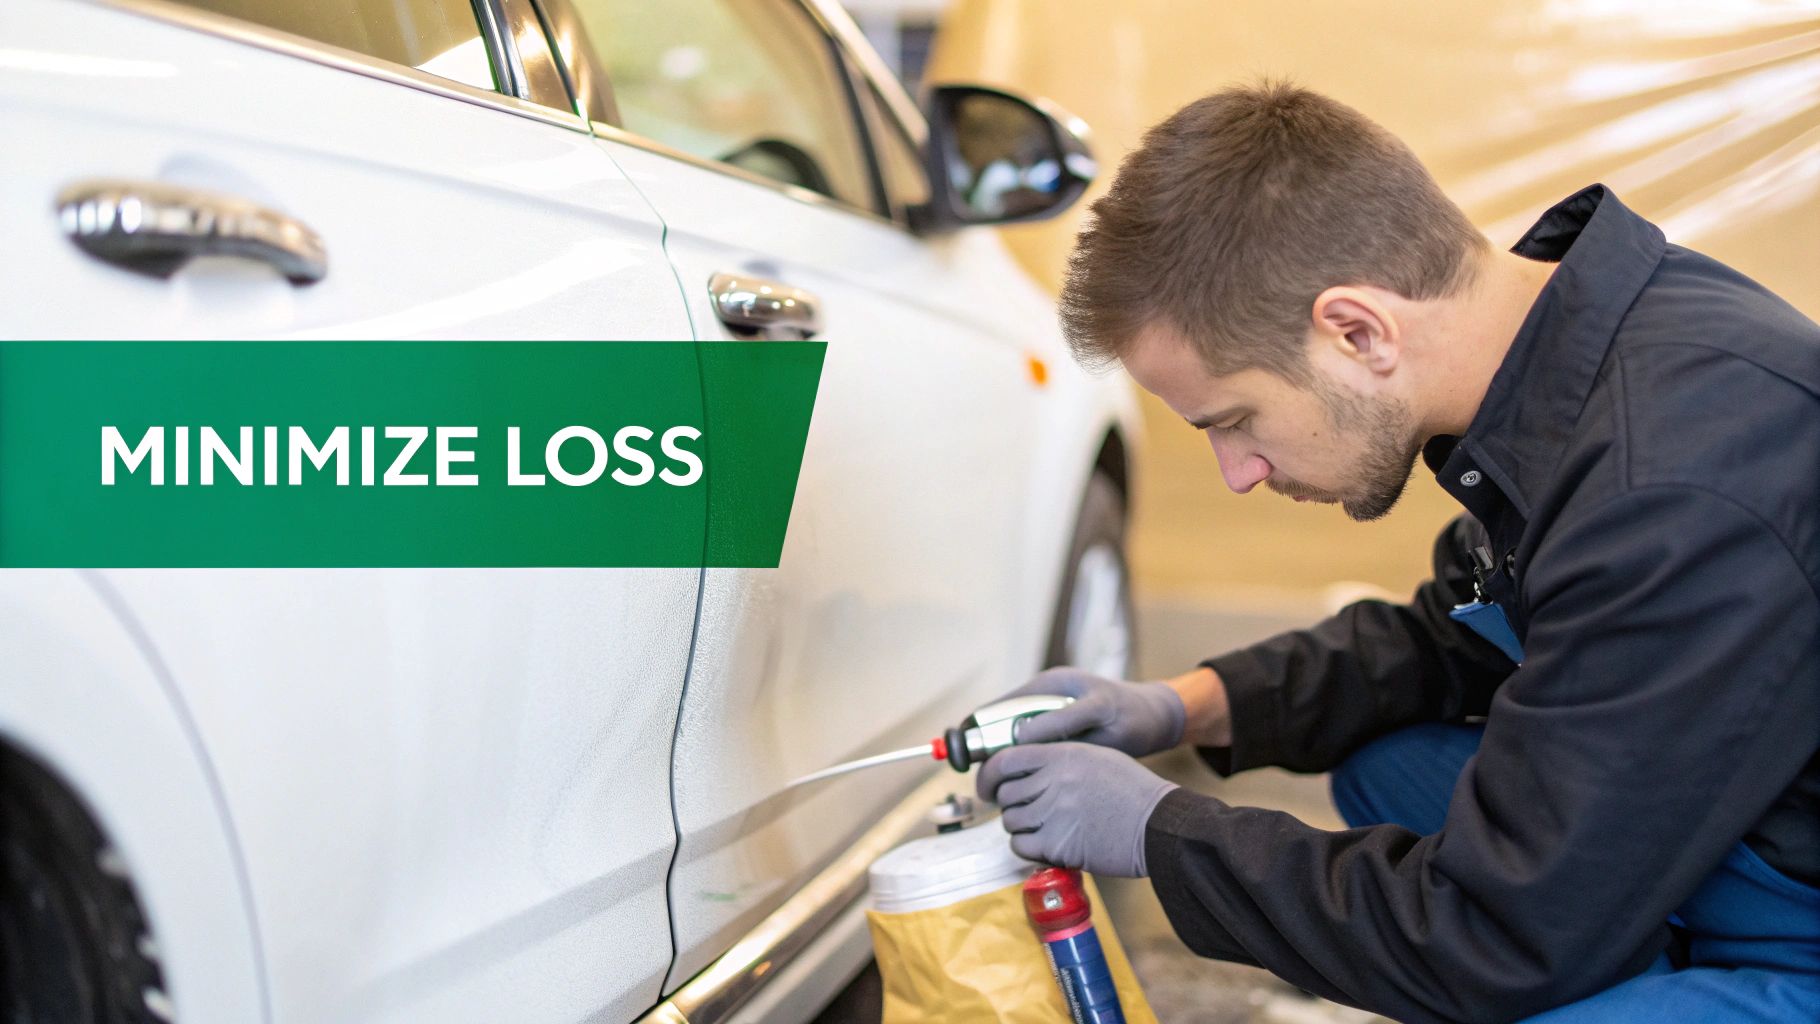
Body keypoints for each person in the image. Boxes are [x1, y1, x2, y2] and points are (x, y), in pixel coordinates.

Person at [978, 80, 1820, 1023]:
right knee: (1386, 763)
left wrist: (1161, 832)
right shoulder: (1564, 363)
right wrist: (1173, 709)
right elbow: (1445, 642)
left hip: (1801, 918)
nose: (1238, 473)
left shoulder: (1667, 484)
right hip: (1749, 809)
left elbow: (1495, 937)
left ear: (1357, 331)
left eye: (1234, 420)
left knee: (1491, 952)